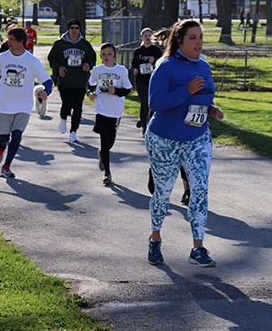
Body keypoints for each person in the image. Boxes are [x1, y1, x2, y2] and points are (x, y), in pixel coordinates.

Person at [145, 19, 224, 268]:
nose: (199, 42)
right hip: (164, 139)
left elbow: (203, 96)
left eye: (201, 37)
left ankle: (198, 247)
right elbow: (155, 103)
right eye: (193, 38)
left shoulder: (204, 66)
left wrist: (210, 109)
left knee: (199, 190)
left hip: (196, 137)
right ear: (179, 40)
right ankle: (155, 237)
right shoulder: (165, 67)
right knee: (164, 192)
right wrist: (186, 91)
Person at [0, 26, 53, 179]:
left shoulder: (31, 61)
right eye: (8, 39)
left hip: (23, 105)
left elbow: (48, 81)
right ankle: (0, 147)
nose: (8, 42)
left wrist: (46, 92)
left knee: (17, 136)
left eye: (11, 39)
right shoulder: (3, 57)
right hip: (5, 103)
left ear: (21, 41)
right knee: (3, 138)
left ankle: (6, 166)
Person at [88, 43, 132, 186]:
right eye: (103, 54)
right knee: (104, 142)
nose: (106, 57)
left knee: (110, 142)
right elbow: (89, 85)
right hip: (101, 109)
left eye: (109, 54)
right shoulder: (97, 70)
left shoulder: (121, 70)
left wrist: (116, 91)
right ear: (100, 56)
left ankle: (102, 153)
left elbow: (128, 89)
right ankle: (107, 174)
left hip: (115, 111)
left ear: (115, 56)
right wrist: (90, 93)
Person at [48, 18, 97, 142]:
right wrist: (59, 67)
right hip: (65, 80)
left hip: (80, 81)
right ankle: (63, 118)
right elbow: (52, 59)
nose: (74, 30)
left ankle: (73, 131)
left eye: (76, 28)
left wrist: (88, 64)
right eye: (72, 28)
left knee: (78, 107)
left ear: (79, 30)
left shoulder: (85, 45)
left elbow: (92, 59)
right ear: (68, 29)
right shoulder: (59, 44)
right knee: (67, 104)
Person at [131, 28, 162, 136]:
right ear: (142, 38)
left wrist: (154, 61)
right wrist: (134, 69)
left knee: (152, 103)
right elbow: (134, 64)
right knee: (144, 103)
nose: (148, 37)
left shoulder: (156, 50)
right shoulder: (138, 51)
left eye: (149, 35)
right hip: (141, 80)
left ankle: (151, 125)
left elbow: (162, 64)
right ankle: (144, 126)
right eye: (145, 35)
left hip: (153, 80)